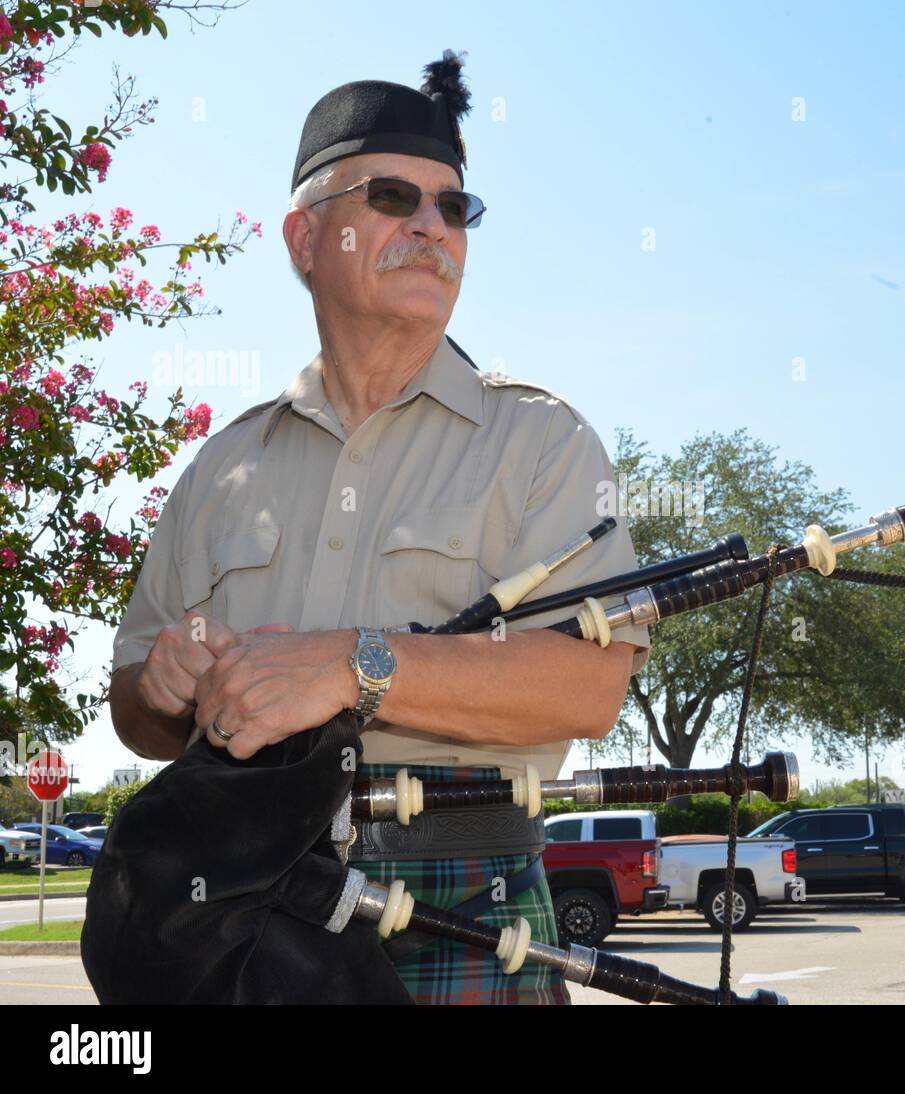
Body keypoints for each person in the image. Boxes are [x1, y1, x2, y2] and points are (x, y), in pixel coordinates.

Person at [108, 50, 651, 1004]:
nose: (432, 227)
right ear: (305, 238)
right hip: (239, 906)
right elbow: (137, 717)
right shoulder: (221, 467)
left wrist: (353, 663)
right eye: (394, 196)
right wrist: (166, 686)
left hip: (464, 903)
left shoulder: (543, 441)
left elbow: (587, 686)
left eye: (455, 207)